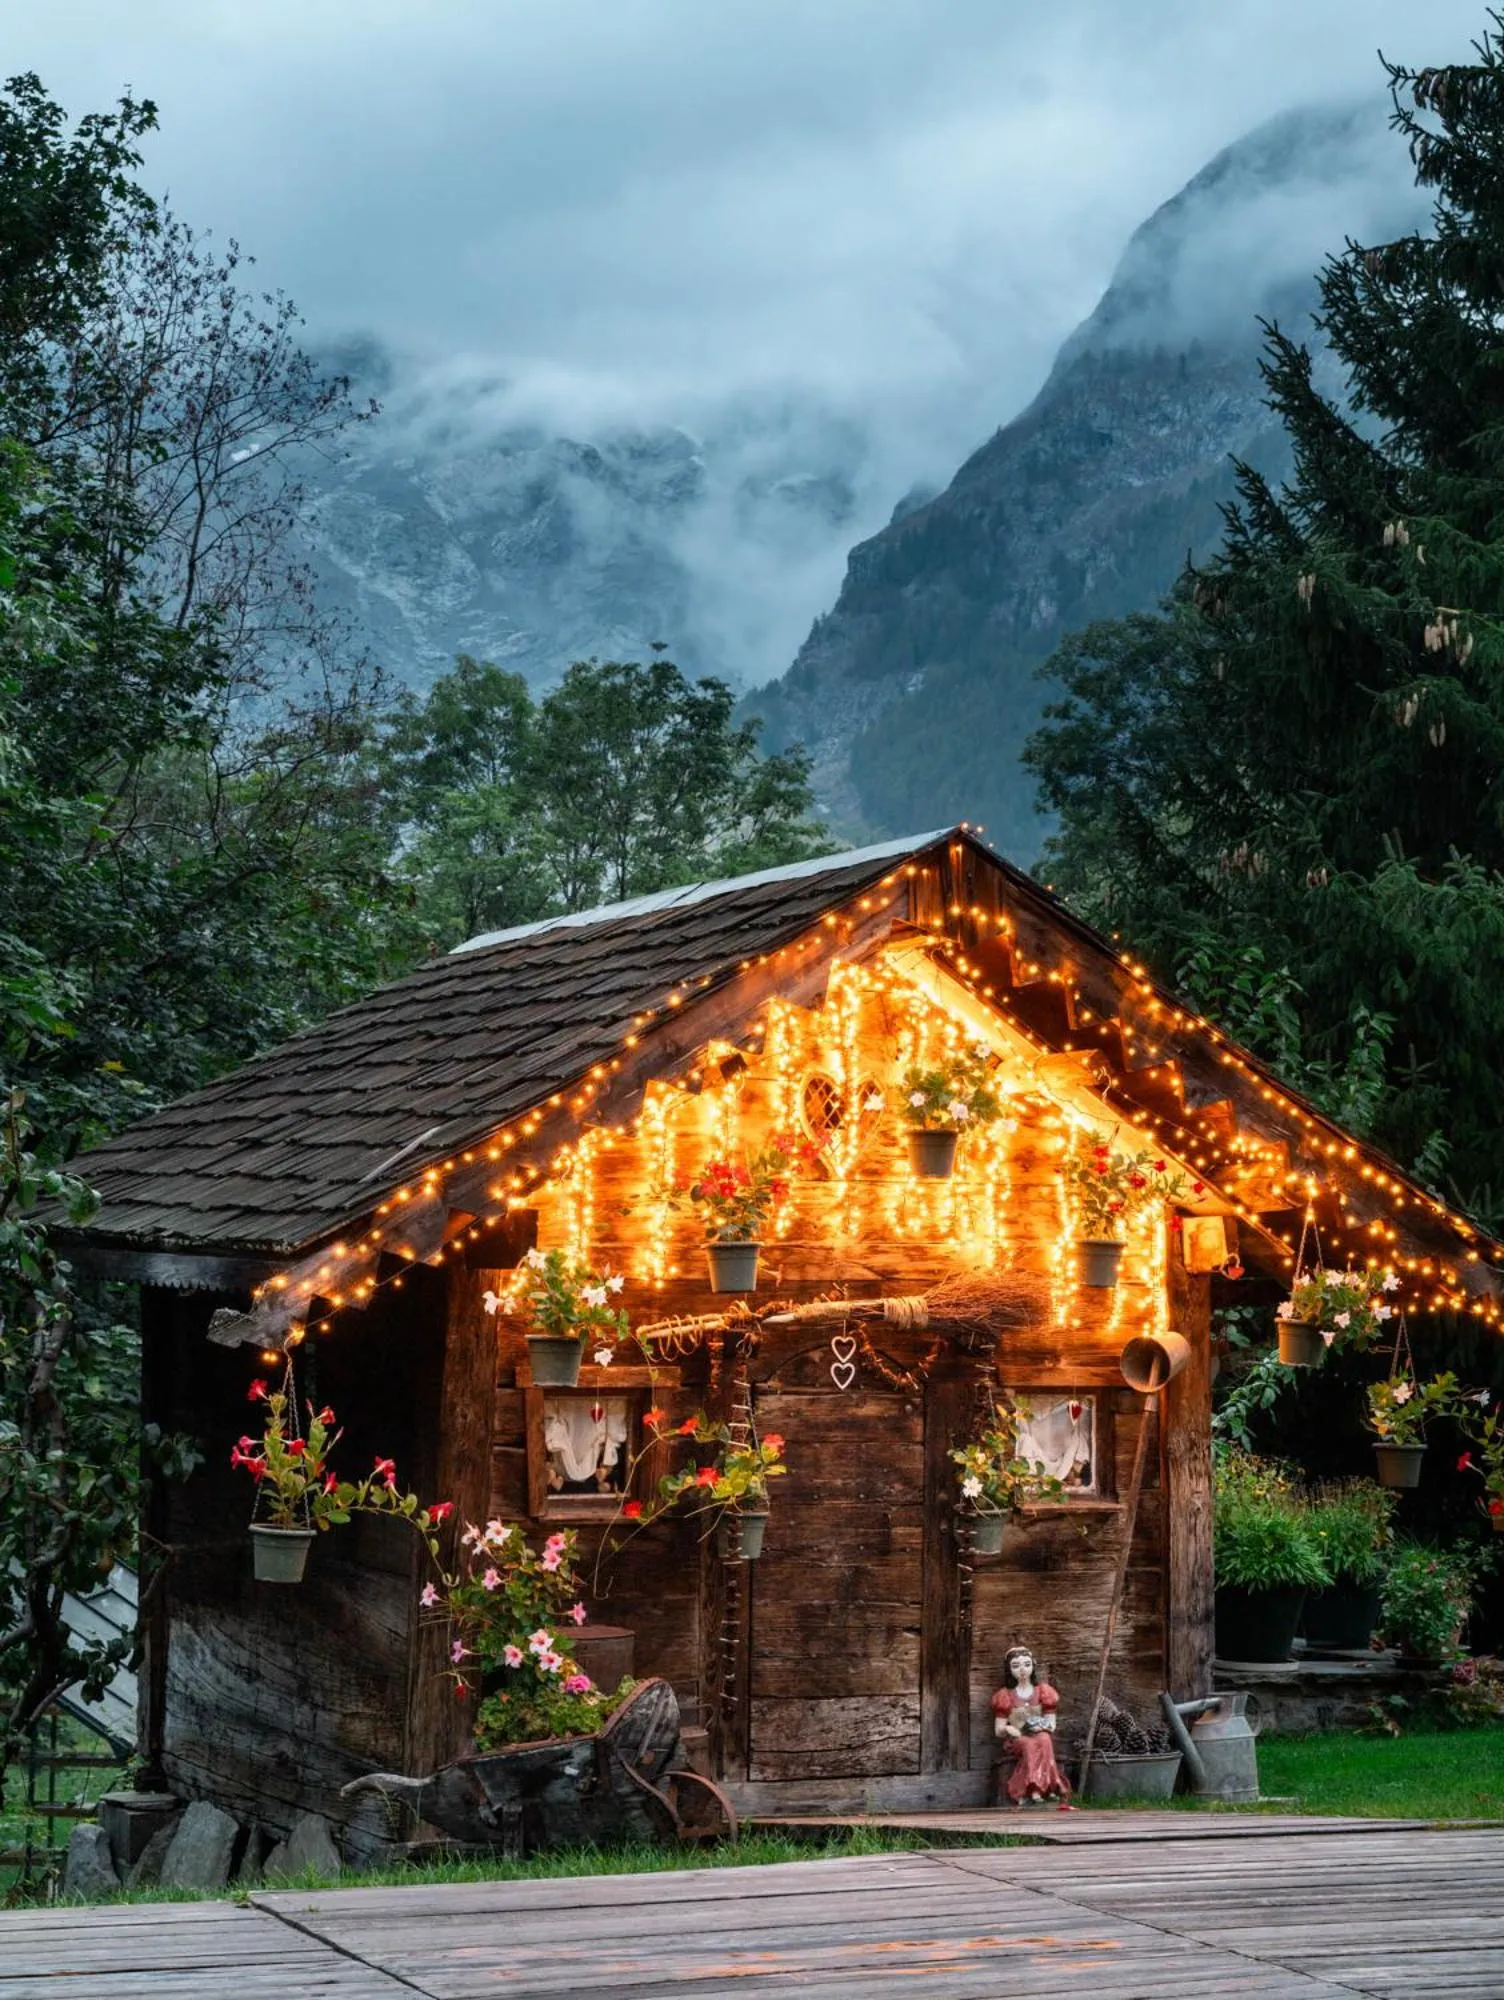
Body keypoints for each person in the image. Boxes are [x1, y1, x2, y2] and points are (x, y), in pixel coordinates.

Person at [991, 1644, 1071, 1807]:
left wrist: (1042, 1727)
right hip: (1018, 1737)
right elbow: (998, 1730)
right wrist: (1008, 1729)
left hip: (1038, 1733)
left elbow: (1051, 1723)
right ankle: (1032, 1789)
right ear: (1009, 1670)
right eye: (1016, 1666)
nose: (1022, 1670)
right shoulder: (1005, 1695)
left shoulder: (1043, 1692)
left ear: (1033, 1666)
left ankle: (1049, 1787)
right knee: (1029, 1745)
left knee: (1045, 1739)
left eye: (1027, 1665)